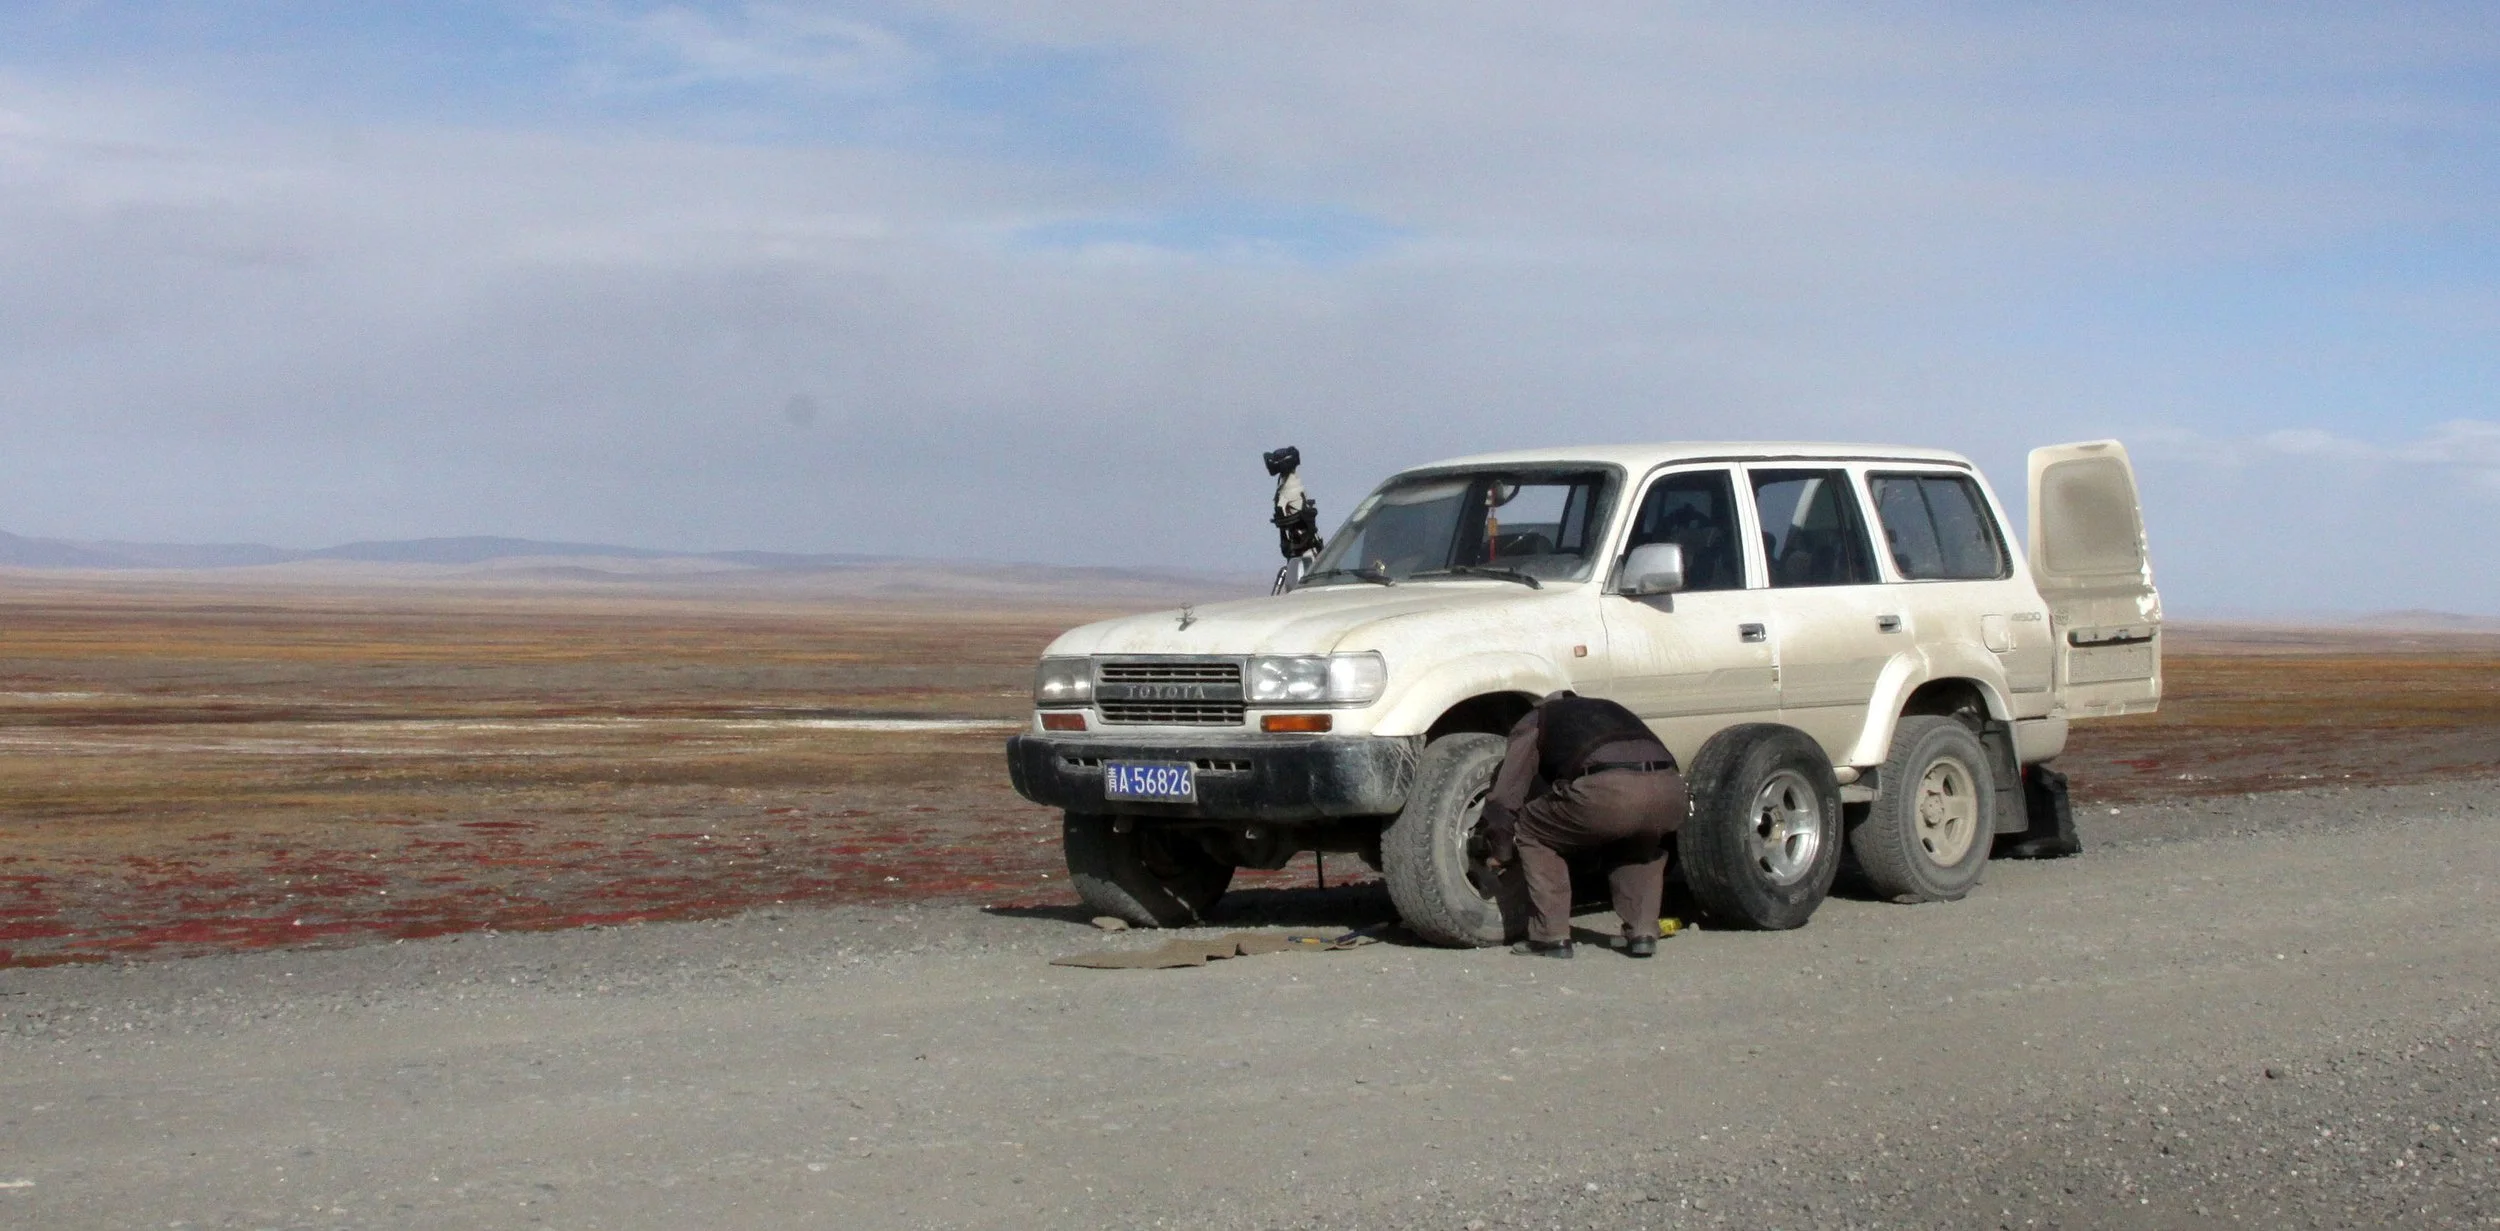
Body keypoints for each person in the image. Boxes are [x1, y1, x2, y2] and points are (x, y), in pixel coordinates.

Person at [1481, 691, 1687, 958]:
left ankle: (1550, 937)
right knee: (1637, 840)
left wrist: (1501, 850)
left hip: (1611, 793)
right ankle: (1643, 932)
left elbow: (1507, 793)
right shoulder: (1610, 707)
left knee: (1532, 830)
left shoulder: (1539, 718)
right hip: (1671, 790)